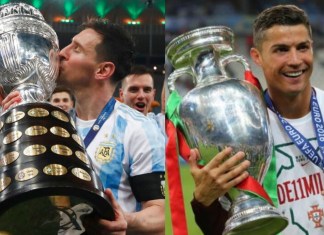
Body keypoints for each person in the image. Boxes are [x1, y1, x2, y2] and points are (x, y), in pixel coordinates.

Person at [2, 18, 165, 235]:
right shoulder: (53, 121)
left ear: (103, 70)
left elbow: (160, 213)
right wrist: (8, 127)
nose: (61, 53)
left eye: (76, 49)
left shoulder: (138, 129)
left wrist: (124, 220)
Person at [188, 4, 324, 235]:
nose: (295, 60)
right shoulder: (239, 129)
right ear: (256, 57)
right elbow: (225, 229)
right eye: (281, 50)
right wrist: (204, 202)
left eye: (302, 47)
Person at [119, 65, 165, 133]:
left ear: (153, 95)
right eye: (134, 90)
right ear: (121, 94)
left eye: (147, 90)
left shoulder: (159, 125)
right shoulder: (109, 126)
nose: (141, 96)